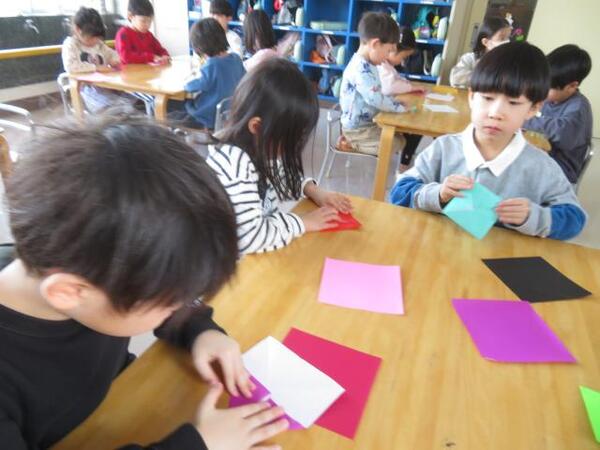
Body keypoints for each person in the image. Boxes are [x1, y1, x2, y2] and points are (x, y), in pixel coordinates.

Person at [0, 116, 288, 449]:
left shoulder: (91, 271)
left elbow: (154, 288)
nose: (177, 307)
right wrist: (199, 445)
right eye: (167, 302)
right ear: (69, 293)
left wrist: (201, 331)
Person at [391, 42, 586, 240]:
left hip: (501, 256)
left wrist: (534, 216)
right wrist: (438, 194)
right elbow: (399, 193)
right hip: (439, 248)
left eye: (513, 103)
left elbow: (575, 219)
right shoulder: (445, 148)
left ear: (533, 109)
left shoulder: (540, 166)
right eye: (487, 98)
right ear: (471, 97)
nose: (495, 113)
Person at [207, 59, 353, 255]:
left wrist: (314, 191)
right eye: (292, 137)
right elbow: (250, 238)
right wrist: (303, 222)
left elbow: (280, 175)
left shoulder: (257, 145)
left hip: (263, 253)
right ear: (257, 126)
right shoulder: (235, 164)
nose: (295, 145)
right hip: (238, 263)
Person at [340, 12, 412, 157]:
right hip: (357, 130)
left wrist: (395, 102)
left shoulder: (369, 64)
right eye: (388, 50)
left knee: (400, 138)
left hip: (368, 123)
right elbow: (375, 98)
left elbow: (378, 92)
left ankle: (352, 141)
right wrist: (399, 108)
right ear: (375, 44)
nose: (388, 56)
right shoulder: (360, 69)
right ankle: (349, 143)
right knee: (396, 142)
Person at [524, 44, 593, 184]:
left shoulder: (578, 108)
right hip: (544, 153)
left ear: (572, 86)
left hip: (562, 169)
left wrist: (523, 119)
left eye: (548, 87)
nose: (542, 90)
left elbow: (562, 133)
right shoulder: (551, 99)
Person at [61, 7, 135, 113]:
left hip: (104, 86)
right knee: (118, 107)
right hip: (85, 89)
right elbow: (71, 66)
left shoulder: (98, 44)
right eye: (91, 38)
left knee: (130, 99)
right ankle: (114, 112)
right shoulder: (71, 44)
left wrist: (115, 60)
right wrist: (97, 68)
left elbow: (112, 54)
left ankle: (119, 110)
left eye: (98, 38)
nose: (95, 41)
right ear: (77, 30)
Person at [449, 16, 511, 88]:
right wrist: (485, 76)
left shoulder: (507, 62)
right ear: (486, 42)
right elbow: (455, 78)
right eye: (502, 38)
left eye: (508, 37)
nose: (507, 41)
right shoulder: (470, 58)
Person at [115, 0, 170, 65]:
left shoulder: (148, 34)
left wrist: (165, 55)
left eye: (150, 21)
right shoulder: (123, 33)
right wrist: (151, 57)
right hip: (131, 70)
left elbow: (159, 49)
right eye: (143, 21)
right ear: (130, 16)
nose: (148, 25)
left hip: (149, 69)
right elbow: (126, 56)